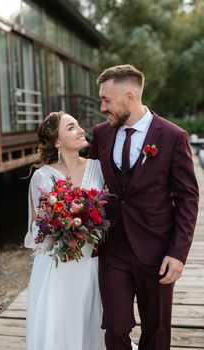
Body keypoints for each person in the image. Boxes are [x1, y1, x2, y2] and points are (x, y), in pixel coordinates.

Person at [88, 64, 199, 350]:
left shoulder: (174, 136)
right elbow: (86, 180)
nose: (102, 107)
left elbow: (188, 198)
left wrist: (178, 254)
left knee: (157, 330)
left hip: (157, 250)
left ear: (129, 97)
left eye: (106, 100)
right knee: (114, 327)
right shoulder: (101, 134)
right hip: (113, 247)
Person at [24, 111, 137, 350]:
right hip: (57, 266)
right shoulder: (42, 177)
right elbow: (37, 229)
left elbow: (115, 207)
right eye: (71, 127)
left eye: (78, 125)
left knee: (92, 319)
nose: (80, 130)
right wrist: (61, 224)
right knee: (59, 324)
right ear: (57, 141)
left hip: (92, 262)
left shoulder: (98, 168)